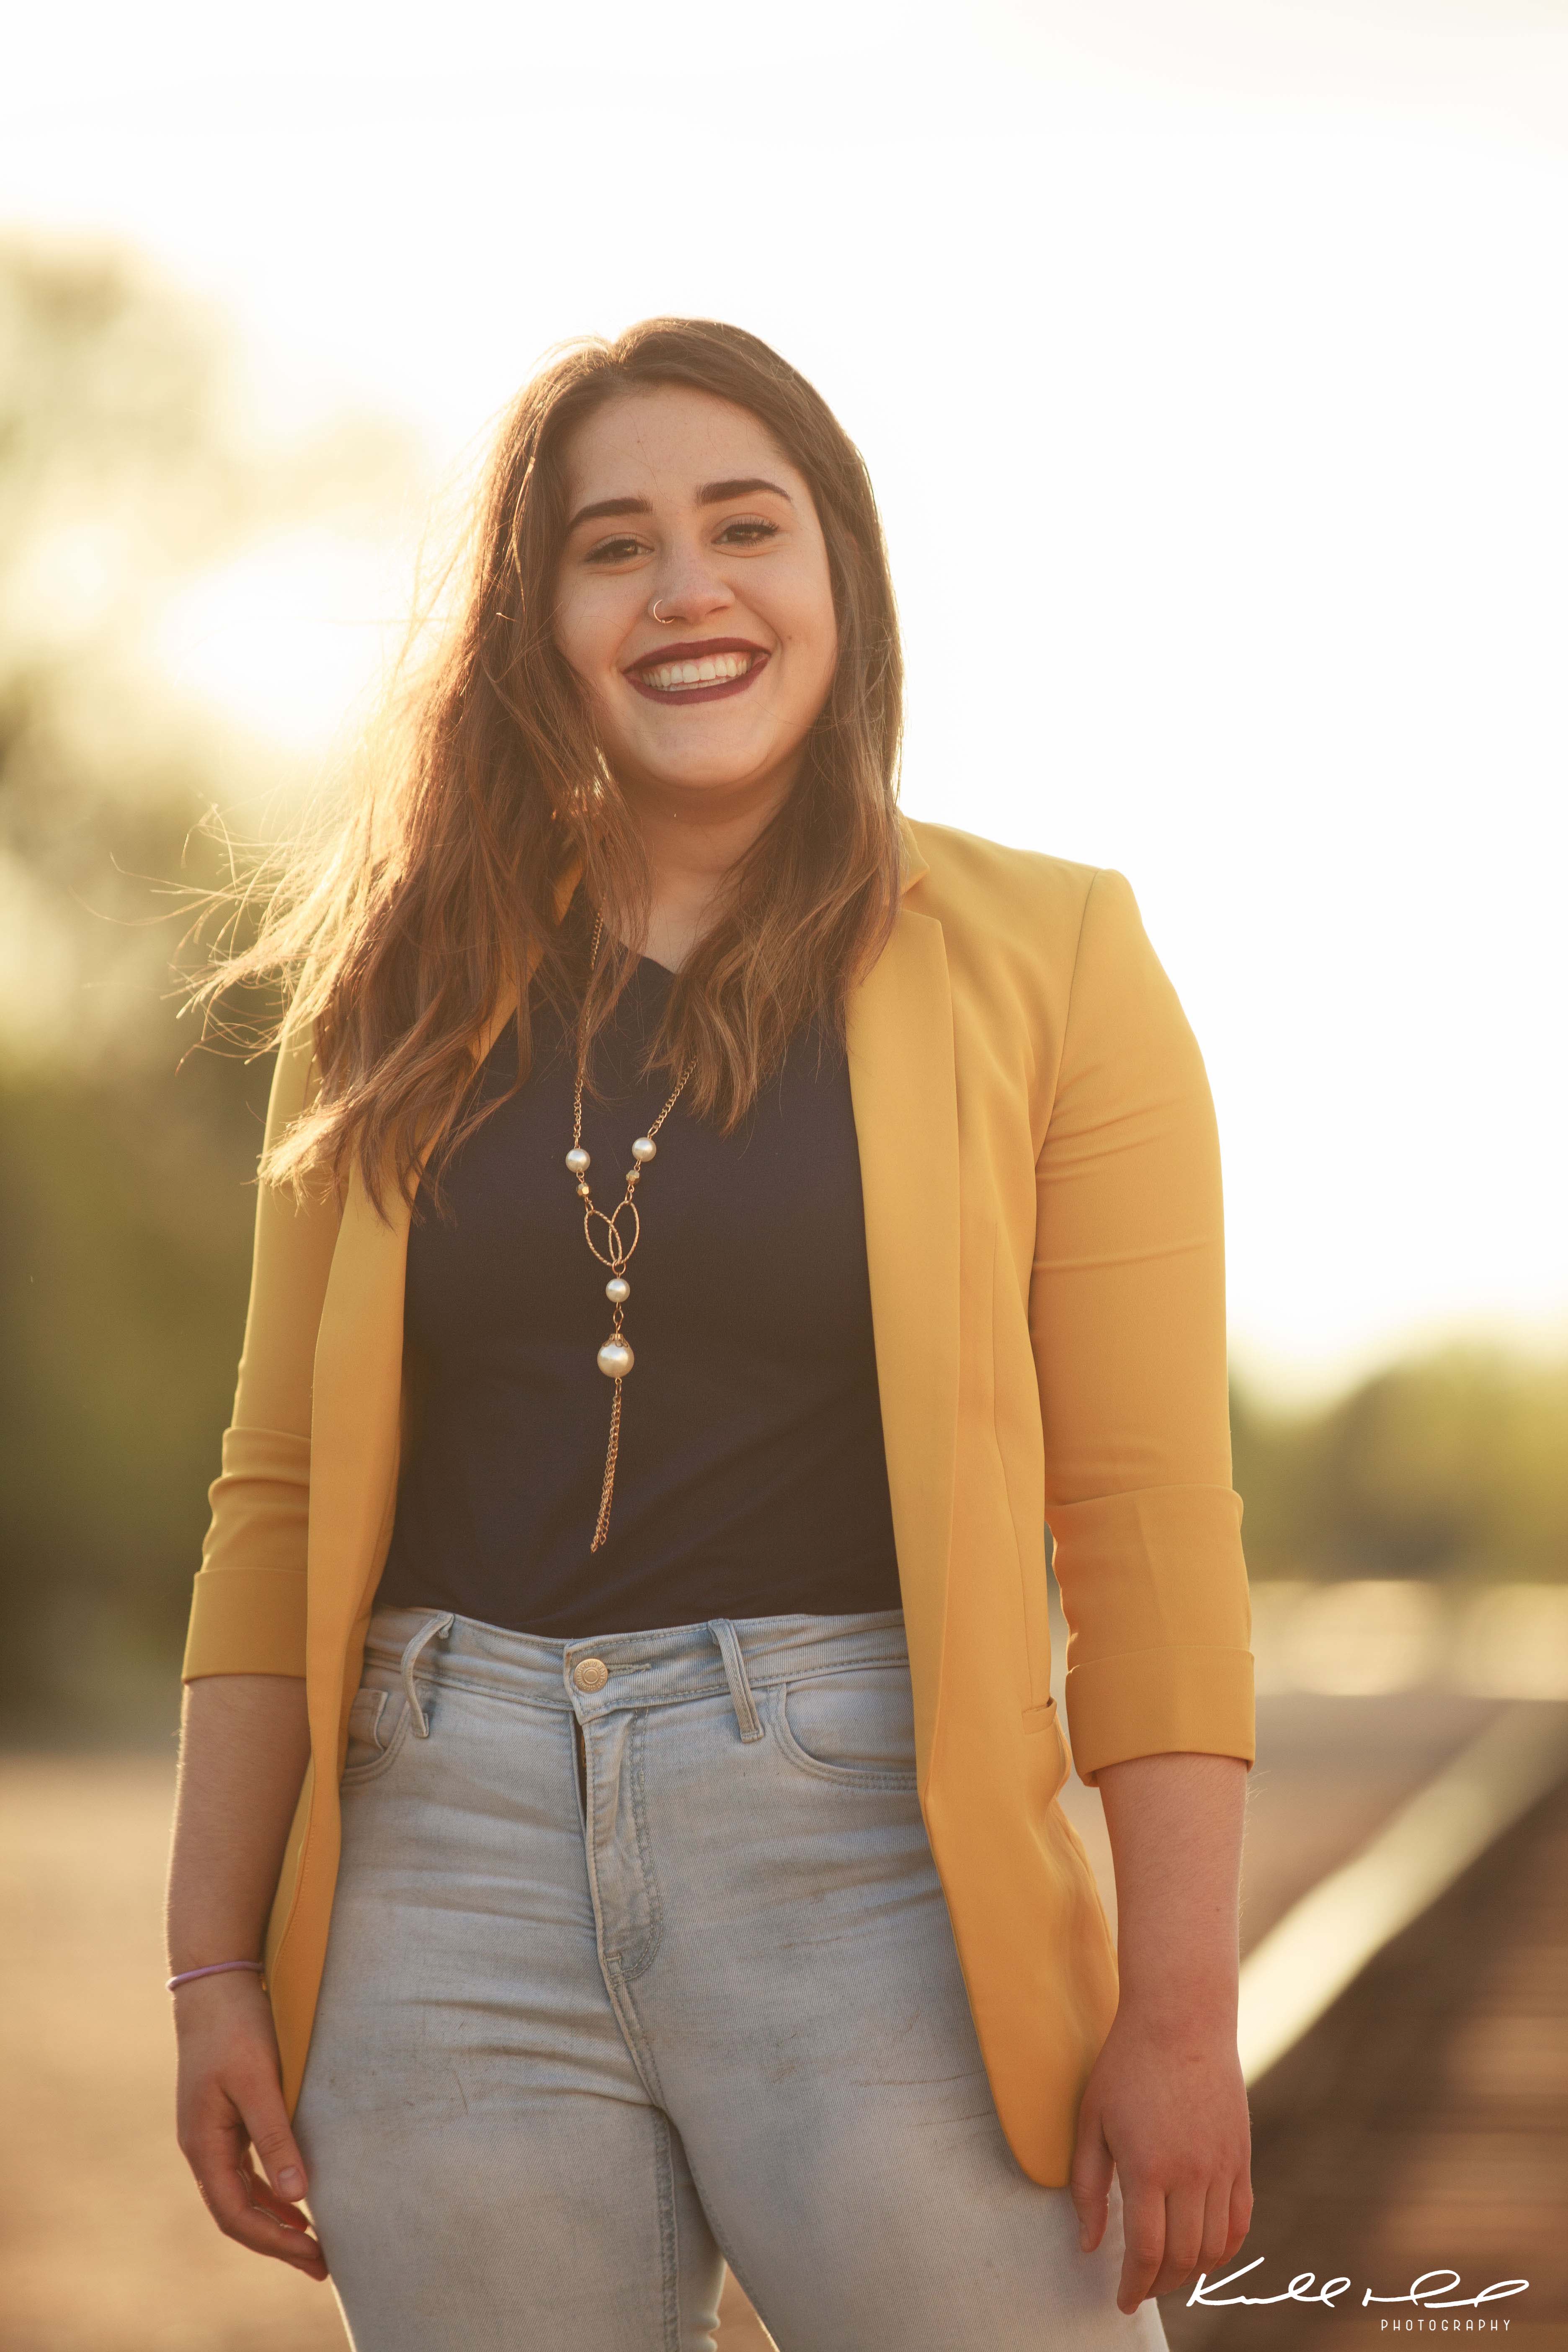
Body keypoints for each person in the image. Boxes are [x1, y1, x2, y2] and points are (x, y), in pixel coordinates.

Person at [166, 317, 1255, 2352]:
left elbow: (1147, 1518)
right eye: (615, 546)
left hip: (874, 1862)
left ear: (838, 571)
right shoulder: (391, 988)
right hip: (440, 1866)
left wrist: (1180, 2017)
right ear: (538, 621)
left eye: (744, 527)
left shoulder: (1061, 960)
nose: (689, 589)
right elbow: (278, 1496)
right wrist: (207, 1969)